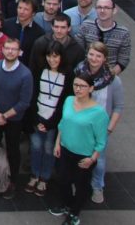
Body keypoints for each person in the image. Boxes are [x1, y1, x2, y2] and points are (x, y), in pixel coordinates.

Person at [48, 71, 109, 225]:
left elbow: (101, 140)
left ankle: (75, 213)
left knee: (81, 185)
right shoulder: (69, 101)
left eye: (82, 86)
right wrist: (57, 143)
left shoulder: (99, 113)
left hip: (84, 155)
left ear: (91, 89)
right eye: (76, 85)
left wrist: (92, 158)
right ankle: (67, 205)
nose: (78, 89)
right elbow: (63, 123)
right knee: (63, 180)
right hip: (65, 149)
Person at [0, 38, 32, 196]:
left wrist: (4, 116)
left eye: (14, 49)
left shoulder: (25, 74)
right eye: (7, 48)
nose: (10, 51)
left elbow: (24, 102)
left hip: (13, 120)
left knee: (13, 149)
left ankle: (12, 181)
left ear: (19, 52)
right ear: (2, 50)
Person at [73, 42, 124, 205]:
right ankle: (78, 183)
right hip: (79, 124)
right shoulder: (78, 72)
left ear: (104, 59)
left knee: (99, 161)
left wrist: (109, 128)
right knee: (78, 157)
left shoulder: (113, 80)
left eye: (98, 56)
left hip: (99, 128)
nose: (94, 58)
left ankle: (97, 186)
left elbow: (118, 106)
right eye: (91, 54)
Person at [26, 41, 70, 197]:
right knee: (36, 147)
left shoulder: (67, 76)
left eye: (55, 57)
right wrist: (36, 119)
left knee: (48, 149)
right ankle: (34, 175)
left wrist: (51, 123)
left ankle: (44, 178)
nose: (52, 60)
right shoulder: (40, 72)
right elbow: (33, 95)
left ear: (61, 57)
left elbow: (64, 103)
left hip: (53, 121)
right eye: (49, 57)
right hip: (38, 117)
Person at [76, 0, 131, 77]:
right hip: (85, 75)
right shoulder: (86, 26)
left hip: (110, 75)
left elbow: (123, 59)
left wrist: (108, 76)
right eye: (99, 7)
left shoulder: (123, 33)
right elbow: (78, 51)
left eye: (106, 8)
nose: (102, 11)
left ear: (114, 10)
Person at [30, 14, 85, 81]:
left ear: (69, 28)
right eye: (56, 27)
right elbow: (33, 68)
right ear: (52, 27)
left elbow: (78, 75)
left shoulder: (77, 49)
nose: (59, 31)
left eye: (63, 27)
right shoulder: (40, 43)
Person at [2, 0, 45, 68]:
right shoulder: (6, 25)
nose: (21, 12)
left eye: (26, 9)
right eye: (20, 8)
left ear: (33, 13)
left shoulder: (39, 32)